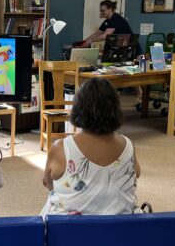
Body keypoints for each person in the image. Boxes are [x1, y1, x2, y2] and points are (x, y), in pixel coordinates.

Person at [40, 78, 140, 216]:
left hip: (68, 233)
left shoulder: (61, 148)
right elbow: (137, 174)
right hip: (119, 233)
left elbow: (48, 183)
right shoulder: (128, 145)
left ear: (78, 108)